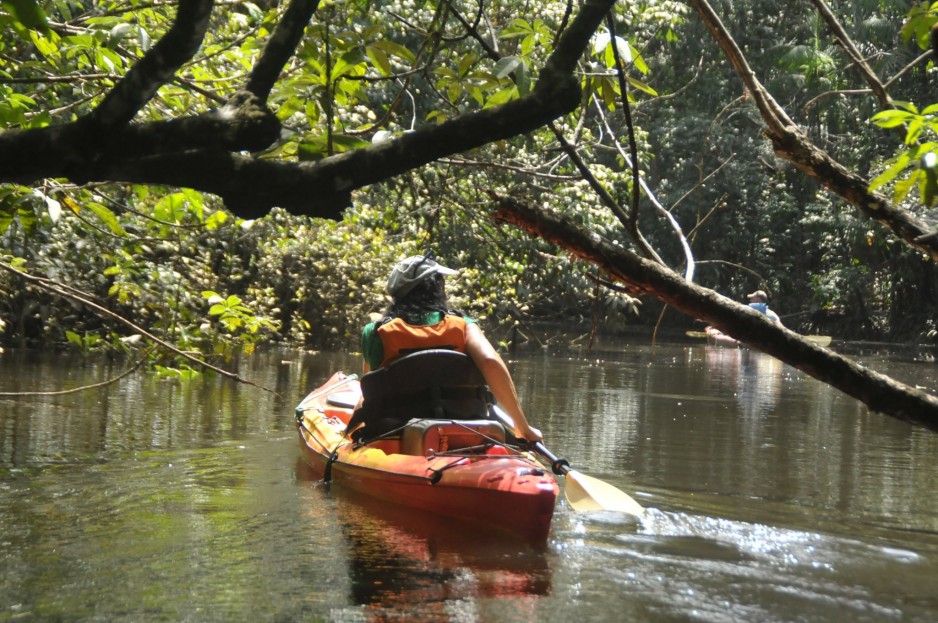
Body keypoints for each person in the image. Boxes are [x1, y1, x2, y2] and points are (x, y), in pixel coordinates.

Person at [357, 252, 543, 442]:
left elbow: (370, 391)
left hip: (395, 437)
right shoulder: (463, 325)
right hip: (465, 432)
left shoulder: (375, 332)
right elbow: (489, 361)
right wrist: (522, 426)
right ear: (437, 287)